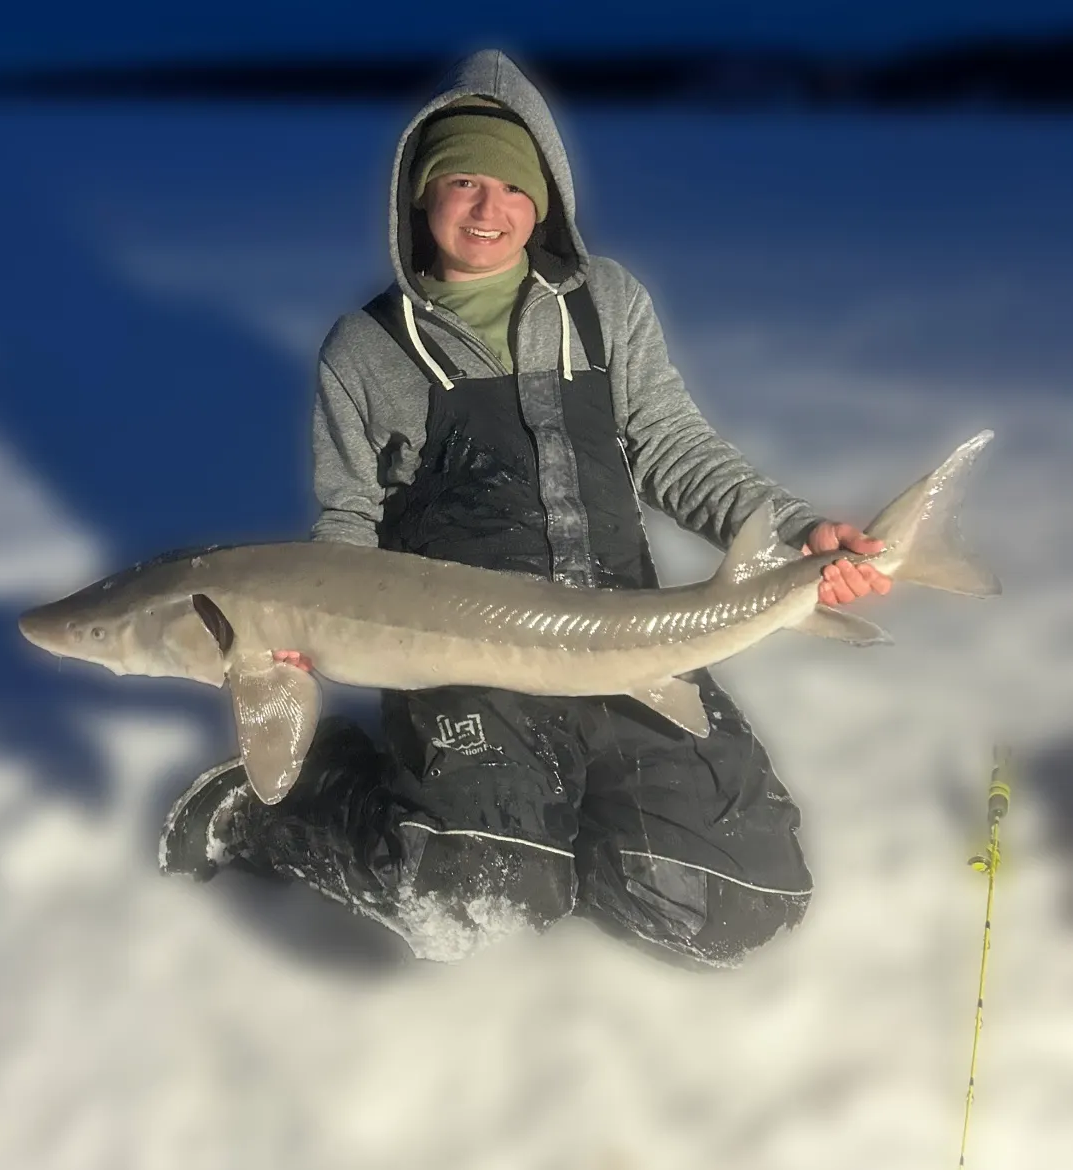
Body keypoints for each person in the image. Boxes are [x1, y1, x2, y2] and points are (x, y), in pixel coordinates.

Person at [160, 49, 891, 965]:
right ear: (420, 197)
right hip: (464, 656)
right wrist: (306, 633)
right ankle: (307, 801)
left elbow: (673, 448)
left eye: (512, 187)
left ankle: (549, 821)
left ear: (543, 201)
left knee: (736, 903)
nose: (487, 209)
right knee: (478, 902)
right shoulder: (367, 350)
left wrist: (795, 534)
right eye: (461, 181)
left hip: (625, 632)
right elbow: (346, 521)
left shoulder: (604, 304)